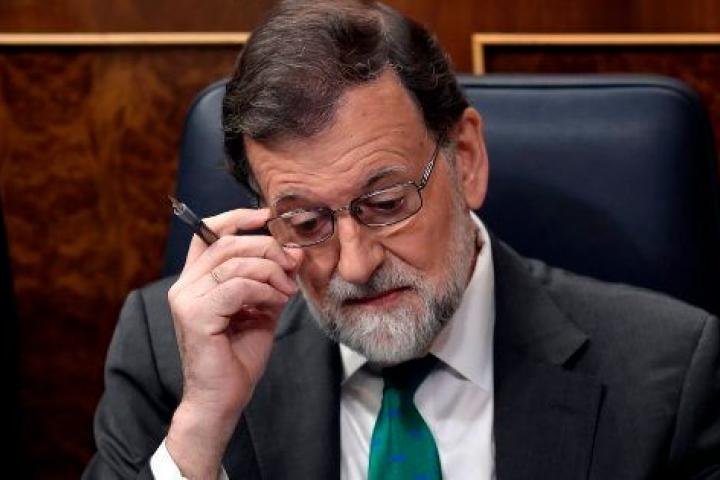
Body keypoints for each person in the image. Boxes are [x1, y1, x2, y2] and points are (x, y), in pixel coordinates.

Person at [83, 1, 720, 479]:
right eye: (305, 222)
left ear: (465, 159)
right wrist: (202, 427)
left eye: (387, 204)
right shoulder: (173, 354)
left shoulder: (669, 376)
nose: (355, 264)